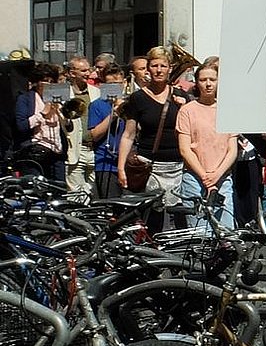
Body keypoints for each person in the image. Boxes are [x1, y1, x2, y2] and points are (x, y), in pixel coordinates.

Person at [117, 48, 187, 223]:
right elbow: (128, 135)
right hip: (150, 167)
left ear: (170, 68)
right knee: (152, 219)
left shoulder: (181, 96)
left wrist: (184, 108)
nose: (159, 70)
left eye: (163, 66)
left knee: (178, 220)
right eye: (154, 66)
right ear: (148, 68)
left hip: (179, 167)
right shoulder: (137, 98)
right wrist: (121, 168)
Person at [174, 57, 237, 229]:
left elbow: (232, 149)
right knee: (200, 232)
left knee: (226, 231)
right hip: (194, 178)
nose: (208, 84)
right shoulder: (187, 111)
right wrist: (205, 177)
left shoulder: (227, 110)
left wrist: (216, 175)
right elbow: (185, 149)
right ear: (197, 83)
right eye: (203, 80)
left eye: (212, 79)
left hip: (222, 178)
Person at [12, 62, 65, 181]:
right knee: (37, 186)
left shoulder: (58, 100)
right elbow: (21, 126)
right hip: (35, 152)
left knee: (59, 187)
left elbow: (68, 128)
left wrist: (64, 114)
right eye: (45, 81)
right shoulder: (25, 99)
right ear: (37, 82)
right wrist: (42, 114)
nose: (48, 84)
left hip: (56, 153)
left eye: (52, 81)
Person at [86, 64, 127, 199]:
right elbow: (95, 135)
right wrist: (113, 114)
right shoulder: (96, 105)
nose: (114, 88)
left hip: (129, 164)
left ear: (124, 83)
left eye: (118, 84)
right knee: (111, 203)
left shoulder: (132, 103)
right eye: (110, 85)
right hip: (106, 164)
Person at [62, 56, 97, 196]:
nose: (87, 73)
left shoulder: (96, 92)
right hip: (75, 149)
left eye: (89, 70)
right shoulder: (64, 94)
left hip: (94, 149)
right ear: (72, 73)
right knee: (75, 195)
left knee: (94, 193)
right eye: (83, 71)